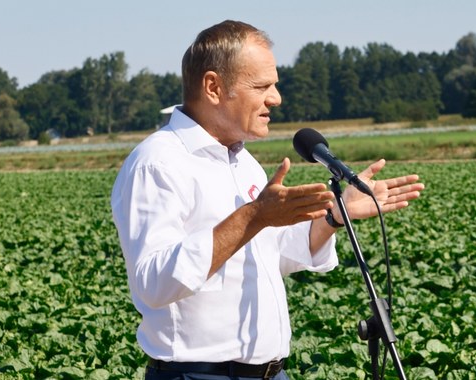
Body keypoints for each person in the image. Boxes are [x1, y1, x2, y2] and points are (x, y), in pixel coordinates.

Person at [111, 20, 424, 380]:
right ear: (213, 86)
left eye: (274, 85)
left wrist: (334, 218)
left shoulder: (243, 162)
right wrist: (253, 216)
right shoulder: (159, 162)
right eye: (262, 86)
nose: (275, 98)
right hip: (200, 375)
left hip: (272, 373)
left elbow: (272, 256)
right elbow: (154, 283)